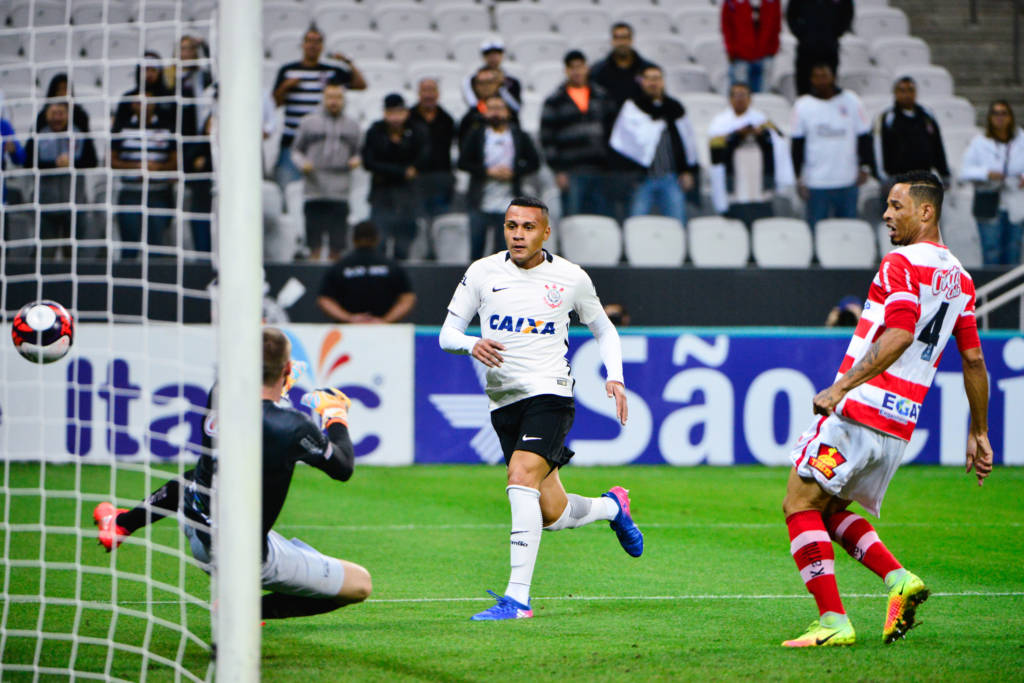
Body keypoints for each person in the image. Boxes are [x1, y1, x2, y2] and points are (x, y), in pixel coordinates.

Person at [780, 171, 993, 648]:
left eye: (897, 206)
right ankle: (898, 580)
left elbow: (898, 332)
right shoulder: (961, 279)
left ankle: (833, 621)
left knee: (798, 503)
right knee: (829, 510)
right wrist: (980, 431)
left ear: (926, 211)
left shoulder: (901, 262)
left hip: (860, 409)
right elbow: (974, 359)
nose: (886, 214)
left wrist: (841, 387)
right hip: (898, 424)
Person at [439, 196, 643, 621]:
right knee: (552, 513)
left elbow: (604, 329)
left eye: (528, 227)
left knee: (520, 477)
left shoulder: (570, 277)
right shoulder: (482, 272)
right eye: (511, 225)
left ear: (546, 232)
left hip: (550, 394)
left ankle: (517, 600)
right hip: (504, 401)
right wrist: (470, 344)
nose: (518, 234)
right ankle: (612, 507)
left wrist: (615, 376)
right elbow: (447, 334)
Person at [93, 327, 372, 620]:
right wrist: (336, 415)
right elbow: (343, 467)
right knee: (360, 584)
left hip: (197, 527)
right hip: (244, 560)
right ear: (287, 369)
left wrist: (278, 384)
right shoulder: (293, 427)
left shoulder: (220, 391)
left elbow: (258, 412)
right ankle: (242, 612)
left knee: (202, 476)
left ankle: (122, 524)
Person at [271, 25, 367, 188]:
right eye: (309, 41)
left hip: (320, 142)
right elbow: (275, 102)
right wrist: (286, 86)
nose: (313, 45)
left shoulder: (331, 71)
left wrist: (347, 62)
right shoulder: (288, 70)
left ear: (322, 46)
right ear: (302, 44)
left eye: (317, 41)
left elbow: (360, 85)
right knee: (288, 187)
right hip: (291, 140)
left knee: (320, 189)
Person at [610, 64, 699, 226]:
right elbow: (621, 144)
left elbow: (687, 141)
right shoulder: (632, 107)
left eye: (656, 78)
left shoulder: (675, 108)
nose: (653, 83)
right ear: (642, 82)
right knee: (636, 223)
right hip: (641, 179)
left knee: (677, 224)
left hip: (671, 178)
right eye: (649, 79)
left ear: (663, 81)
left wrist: (687, 170)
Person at [791, 63, 874, 229]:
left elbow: (864, 137)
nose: (821, 81)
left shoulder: (851, 100)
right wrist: (798, 178)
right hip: (816, 182)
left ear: (833, 78)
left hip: (847, 180)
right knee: (817, 231)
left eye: (824, 76)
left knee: (847, 230)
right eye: (817, 77)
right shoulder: (803, 105)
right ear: (811, 80)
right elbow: (797, 145)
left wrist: (865, 166)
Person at [459, 94, 540, 259]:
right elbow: (463, 162)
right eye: (491, 109)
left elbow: (534, 162)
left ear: (508, 112)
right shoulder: (477, 135)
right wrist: (487, 172)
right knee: (476, 251)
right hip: (479, 201)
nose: (495, 113)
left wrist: (514, 172)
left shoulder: (518, 135)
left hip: (508, 203)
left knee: (505, 253)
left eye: (499, 108)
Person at [290, 79, 361, 261]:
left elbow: (359, 151)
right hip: (314, 190)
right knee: (314, 243)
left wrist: (356, 160)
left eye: (338, 97)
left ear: (344, 99)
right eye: (330, 97)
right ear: (323, 98)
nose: (334, 101)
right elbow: (296, 151)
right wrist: (303, 163)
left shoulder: (352, 125)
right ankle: (314, 271)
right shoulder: (309, 122)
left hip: (340, 191)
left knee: (337, 245)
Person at [540, 51, 616, 218]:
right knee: (573, 219)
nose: (576, 71)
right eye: (572, 68)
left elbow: (612, 132)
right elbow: (547, 139)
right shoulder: (555, 100)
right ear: (566, 70)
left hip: (601, 170)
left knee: (602, 220)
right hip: (571, 171)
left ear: (586, 68)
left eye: (580, 67)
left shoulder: (601, 96)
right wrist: (558, 170)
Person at [708, 81, 794, 226]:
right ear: (730, 99)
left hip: (759, 181)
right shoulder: (720, 122)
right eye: (736, 95)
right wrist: (736, 135)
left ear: (750, 99)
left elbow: (779, 140)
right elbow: (714, 149)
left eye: (743, 95)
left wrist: (762, 135)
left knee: (762, 224)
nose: (740, 99)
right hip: (734, 180)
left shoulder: (761, 120)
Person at [24, 101, 99, 258]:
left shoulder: (78, 134)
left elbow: (92, 161)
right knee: (44, 253)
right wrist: (54, 164)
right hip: (46, 205)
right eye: (53, 113)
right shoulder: (39, 135)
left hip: (74, 203)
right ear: (46, 115)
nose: (57, 118)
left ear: (68, 115)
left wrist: (72, 164)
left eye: (61, 113)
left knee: (74, 254)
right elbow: (28, 162)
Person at [361, 93, 429, 260]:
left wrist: (409, 169)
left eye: (399, 112)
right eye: (391, 113)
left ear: (406, 113)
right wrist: (402, 172)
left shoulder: (417, 131)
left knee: (404, 246)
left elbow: (425, 157)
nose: (395, 118)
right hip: (381, 196)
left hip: (408, 198)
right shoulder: (375, 131)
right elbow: (369, 162)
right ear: (385, 113)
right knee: (379, 243)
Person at [110, 91, 177, 259]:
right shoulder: (121, 128)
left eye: (148, 101)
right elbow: (110, 161)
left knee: (157, 246)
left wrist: (158, 168)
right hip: (130, 193)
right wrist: (137, 167)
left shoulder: (167, 127)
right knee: (129, 246)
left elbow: (176, 161)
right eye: (139, 102)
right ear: (133, 105)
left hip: (159, 193)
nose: (144, 106)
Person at [959, 100, 1024, 266]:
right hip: (989, 202)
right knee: (991, 251)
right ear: (989, 117)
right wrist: (986, 174)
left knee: (1014, 251)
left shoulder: (1021, 140)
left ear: (1010, 117)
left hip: (1015, 201)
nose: (1000, 117)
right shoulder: (979, 142)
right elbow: (964, 172)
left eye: (1004, 113)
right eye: (995, 113)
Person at [317, 221, 417, 324]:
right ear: (377, 238)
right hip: (384, 330)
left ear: (353, 239)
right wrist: (384, 321)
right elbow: (407, 298)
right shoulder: (392, 266)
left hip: (349, 329)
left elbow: (325, 299)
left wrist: (349, 318)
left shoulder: (340, 267)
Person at [170, 35, 215, 254]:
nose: (187, 53)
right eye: (183, 48)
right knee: (196, 205)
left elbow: (218, 71)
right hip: (184, 149)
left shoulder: (205, 78)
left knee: (205, 203)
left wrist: (205, 46)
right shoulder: (170, 83)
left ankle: (208, 254)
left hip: (207, 149)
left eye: (191, 49)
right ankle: (200, 254)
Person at [875, 77, 951, 186]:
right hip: (897, 180)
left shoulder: (926, 115)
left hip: (924, 178)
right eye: (902, 91)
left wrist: (944, 172)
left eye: (910, 90)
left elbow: (937, 145)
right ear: (895, 93)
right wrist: (883, 177)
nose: (907, 95)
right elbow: (878, 148)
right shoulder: (888, 118)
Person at [409, 77, 457, 221]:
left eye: (432, 90)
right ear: (418, 93)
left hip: (441, 178)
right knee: (417, 221)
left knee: (440, 220)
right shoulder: (408, 118)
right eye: (425, 90)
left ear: (438, 93)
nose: (428, 95)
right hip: (415, 179)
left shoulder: (447, 119)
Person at [786, 0, 853, 97]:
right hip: (806, 49)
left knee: (828, 90)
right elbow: (791, 15)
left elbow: (847, 13)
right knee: (804, 89)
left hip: (829, 48)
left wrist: (834, 33)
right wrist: (802, 34)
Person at [589, 22, 657, 108]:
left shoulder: (647, 69)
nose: (621, 42)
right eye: (617, 38)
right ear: (612, 41)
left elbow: (657, 96)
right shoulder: (598, 71)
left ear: (631, 40)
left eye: (624, 38)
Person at [721, 0, 782, 93]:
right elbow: (727, 26)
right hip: (740, 55)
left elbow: (776, 24)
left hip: (764, 54)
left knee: (762, 95)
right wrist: (731, 50)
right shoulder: (732, 2)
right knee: (740, 93)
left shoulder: (773, 2)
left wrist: (772, 49)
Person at [461, 37, 522, 113]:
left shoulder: (512, 81)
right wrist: (487, 112)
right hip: (479, 117)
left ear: (502, 55)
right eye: (488, 54)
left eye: (497, 53)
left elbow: (516, 107)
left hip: (507, 118)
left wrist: (501, 87)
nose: (493, 57)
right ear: (483, 56)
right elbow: (473, 103)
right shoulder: (472, 79)